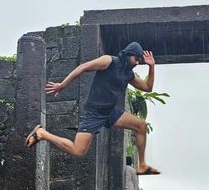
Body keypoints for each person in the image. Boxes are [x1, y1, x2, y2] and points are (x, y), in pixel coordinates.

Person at [25, 42, 160, 176]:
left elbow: (148, 87)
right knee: (78, 150)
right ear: (129, 54)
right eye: (136, 59)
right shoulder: (109, 61)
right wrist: (62, 85)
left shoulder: (128, 74)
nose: (137, 63)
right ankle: (43, 134)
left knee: (141, 125)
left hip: (110, 112)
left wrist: (151, 67)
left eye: (139, 61)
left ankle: (142, 165)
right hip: (93, 113)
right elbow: (83, 67)